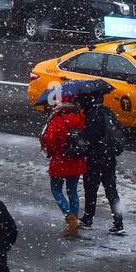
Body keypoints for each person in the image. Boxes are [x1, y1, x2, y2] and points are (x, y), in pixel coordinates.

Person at [76, 89, 124, 234]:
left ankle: (88, 217)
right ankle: (118, 222)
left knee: (91, 189)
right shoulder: (108, 113)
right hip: (109, 157)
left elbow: (90, 139)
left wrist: (81, 138)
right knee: (111, 190)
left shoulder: (92, 116)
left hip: (95, 159)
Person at [39, 92, 86, 238]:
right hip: (76, 161)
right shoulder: (80, 117)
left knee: (56, 189)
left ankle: (69, 217)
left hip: (60, 161)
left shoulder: (57, 119)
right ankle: (75, 219)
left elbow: (49, 140)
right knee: (72, 191)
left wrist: (51, 152)